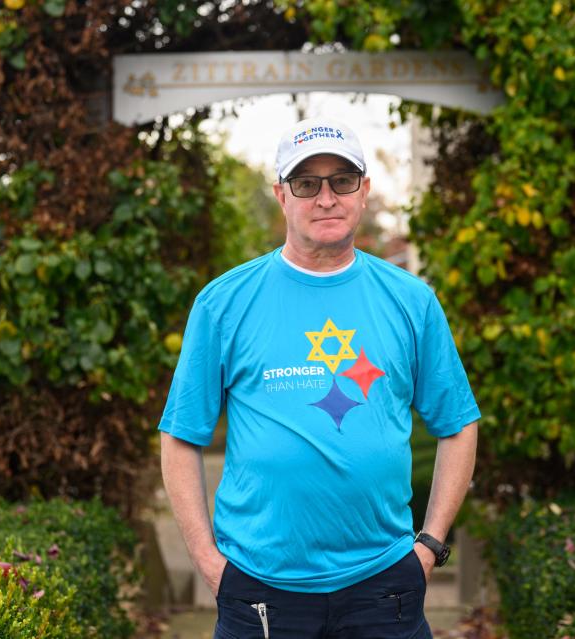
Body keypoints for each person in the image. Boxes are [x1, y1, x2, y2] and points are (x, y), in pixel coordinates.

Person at [159, 116, 480, 639]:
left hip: (386, 584)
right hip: (258, 589)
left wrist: (430, 544)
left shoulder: (411, 300)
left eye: (342, 180)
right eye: (306, 183)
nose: (326, 197)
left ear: (364, 190)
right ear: (281, 195)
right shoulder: (223, 303)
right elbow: (179, 438)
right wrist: (208, 561)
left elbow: (459, 423)